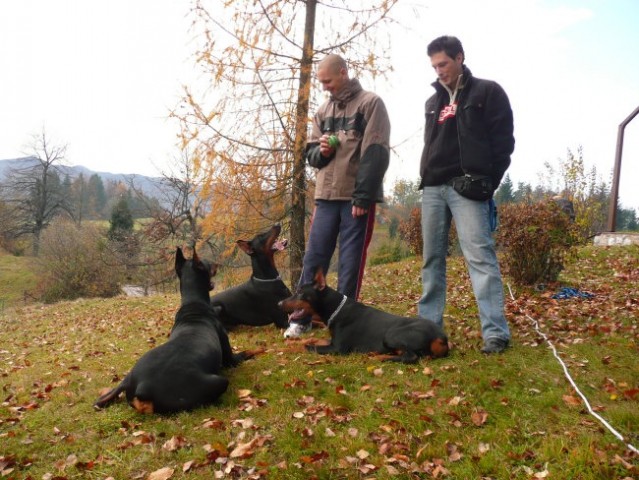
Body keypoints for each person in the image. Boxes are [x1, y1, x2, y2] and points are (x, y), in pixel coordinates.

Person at [418, 35, 514, 354]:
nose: (439, 71)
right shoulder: (432, 102)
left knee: (480, 259)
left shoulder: (487, 92)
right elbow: (429, 144)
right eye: (434, 66)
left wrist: (488, 181)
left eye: (443, 63)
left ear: (460, 57)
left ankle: (495, 333)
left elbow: (503, 144)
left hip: (469, 187)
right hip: (433, 188)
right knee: (432, 261)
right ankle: (428, 330)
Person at [284, 53, 391, 338]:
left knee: (350, 262)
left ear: (343, 73)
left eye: (327, 81)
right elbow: (312, 156)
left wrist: (363, 197)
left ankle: (347, 326)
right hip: (325, 197)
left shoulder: (371, 104)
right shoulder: (322, 112)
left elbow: (376, 152)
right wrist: (323, 151)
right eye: (321, 82)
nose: (324, 87)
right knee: (314, 258)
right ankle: (301, 320)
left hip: (355, 198)